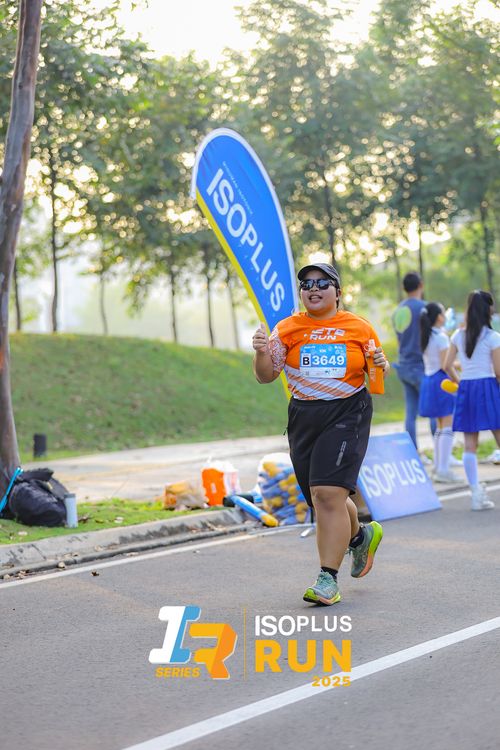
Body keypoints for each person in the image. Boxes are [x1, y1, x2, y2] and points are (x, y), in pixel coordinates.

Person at [252, 262, 388, 605]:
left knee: (327, 493)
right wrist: (261, 352)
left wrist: (381, 364)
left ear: (337, 293)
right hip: (304, 415)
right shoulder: (288, 328)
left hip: (348, 412)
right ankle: (359, 538)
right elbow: (266, 376)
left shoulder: (359, 327)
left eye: (322, 283)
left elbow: (376, 369)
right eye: (307, 284)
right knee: (324, 498)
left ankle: (328, 579)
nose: (313, 289)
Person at [444, 290, 500, 511]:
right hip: (488, 387)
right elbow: (498, 372)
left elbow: (447, 365)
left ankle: (476, 494)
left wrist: (460, 382)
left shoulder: (458, 335)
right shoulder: (492, 337)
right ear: (488, 309)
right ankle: (478, 494)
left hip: (467, 388)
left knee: (470, 444)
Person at [392, 272, 437, 455]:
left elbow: (399, 340)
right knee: (434, 410)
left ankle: (413, 454)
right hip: (421, 366)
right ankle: (441, 454)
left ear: (404, 288)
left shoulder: (398, 311)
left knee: (410, 414)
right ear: (421, 285)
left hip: (403, 365)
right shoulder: (425, 308)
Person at [418, 302, 458, 482]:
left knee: (441, 426)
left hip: (430, 380)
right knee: (447, 425)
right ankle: (443, 470)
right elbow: (446, 365)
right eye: (443, 312)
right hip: (442, 381)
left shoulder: (427, 335)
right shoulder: (441, 337)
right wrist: (460, 376)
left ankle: (438, 467)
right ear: (439, 317)